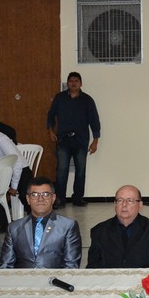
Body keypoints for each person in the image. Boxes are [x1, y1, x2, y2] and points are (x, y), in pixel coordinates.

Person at [0, 176, 82, 268]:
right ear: (28, 199)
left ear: (53, 198)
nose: (40, 199)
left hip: (55, 277)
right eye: (34, 195)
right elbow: (6, 266)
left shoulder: (68, 226)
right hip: (23, 277)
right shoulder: (14, 228)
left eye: (46, 194)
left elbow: (71, 266)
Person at [46, 71, 100, 208]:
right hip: (63, 140)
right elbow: (51, 115)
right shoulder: (59, 98)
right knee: (61, 170)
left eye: (76, 81)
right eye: (71, 81)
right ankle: (60, 199)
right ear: (67, 83)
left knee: (80, 169)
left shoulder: (87, 100)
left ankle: (78, 198)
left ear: (81, 84)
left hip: (81, 140)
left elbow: (94, 120)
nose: (73, 83)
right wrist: (50, 130)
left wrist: (95, 140)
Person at [86, 185, 149, 268]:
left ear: (140, 205)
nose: (124, 204)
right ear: (115, 204)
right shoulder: (99, 231)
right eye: (120, 200)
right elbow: (93, 268)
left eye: (130, 201)